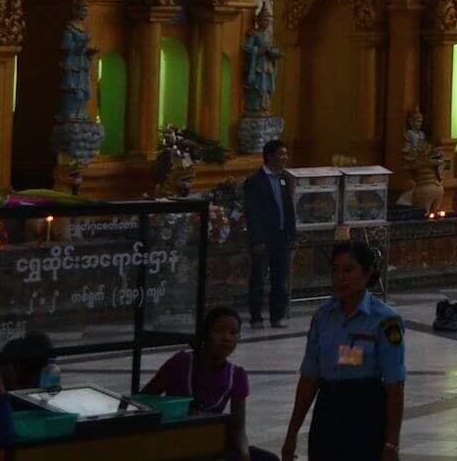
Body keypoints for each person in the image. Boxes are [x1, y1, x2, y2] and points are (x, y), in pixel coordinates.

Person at [281, 240, 404, 461]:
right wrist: (292, 432)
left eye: (348, 270)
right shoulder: (322, 317)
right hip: (328, 409)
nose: (340, 277)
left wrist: (391, 443)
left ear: (366, 275)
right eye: (335, 270)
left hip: (366, 411)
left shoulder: (385, 321)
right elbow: (309, 377)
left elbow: (395, 384)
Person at [144, 306, 275, 461]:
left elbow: (238, 428)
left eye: (233, 333)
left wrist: (244, 453)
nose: (226, 338)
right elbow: (146, 399)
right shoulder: (182, 362)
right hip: (176, 441)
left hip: (212, 442)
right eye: (219, 331)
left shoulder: (236, 375)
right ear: (206, 334)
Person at [244, 138, 297, 328]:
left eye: (285, 154)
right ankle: (256, 317)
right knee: (258, 279)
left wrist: (292, 236)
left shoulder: (285, 178)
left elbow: (289, 209)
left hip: (281, 236)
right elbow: (251, 212)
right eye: (281, 154)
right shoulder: (254, 181)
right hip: (263, 238)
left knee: (280, 279)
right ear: (269, 156)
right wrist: (257, 239)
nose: (285, 158)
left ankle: (277, 316)